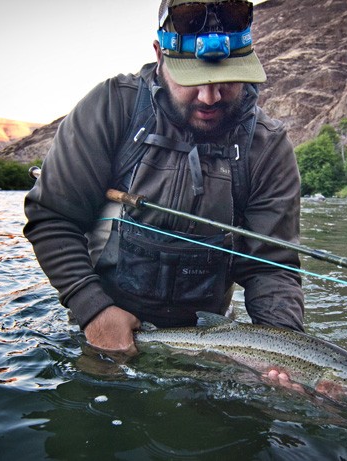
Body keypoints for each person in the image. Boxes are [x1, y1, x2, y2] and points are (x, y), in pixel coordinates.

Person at [24, 0, 305, 368]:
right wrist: (92, 308)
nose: (209, 97)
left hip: (212, 345)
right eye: (193, 79)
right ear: (159, 55)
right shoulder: (111, 108)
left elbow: (271, 267)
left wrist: (285, 356)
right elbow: (53, 218)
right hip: (102, 326)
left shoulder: (268, 146)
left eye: (227, 79)